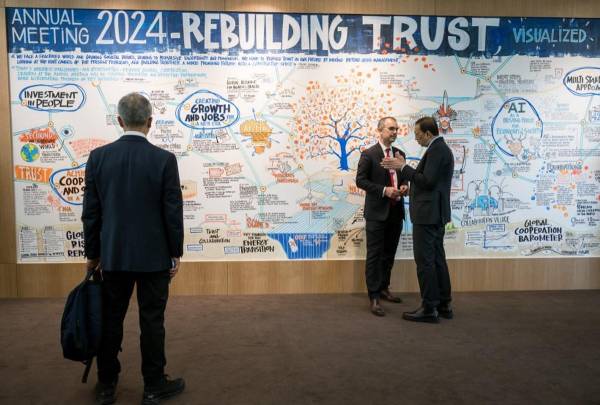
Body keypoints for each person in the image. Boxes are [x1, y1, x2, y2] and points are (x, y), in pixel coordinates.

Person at [82, 92, 185, 404]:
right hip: (154, 257)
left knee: (110, 319)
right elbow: (172, 212)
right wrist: (175, 252)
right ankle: (154, 384)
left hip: (112, 256)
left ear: (119, 120)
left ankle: (106, 385)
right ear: (150, 122)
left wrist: (92, 255)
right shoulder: (165, 160)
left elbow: (91, 212)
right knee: (152, 321)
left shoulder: (98, 158)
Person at [381, 116, 454, 323]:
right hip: (434, 214)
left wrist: (402, 167)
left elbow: (427, 181)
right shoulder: (440, 149)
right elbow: (429, 182)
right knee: (437, 259)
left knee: (425, 262)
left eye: (418, 135)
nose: (416, 139)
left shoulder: (437, 150)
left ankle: (429, 307)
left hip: (428, 215)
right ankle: (443, 303)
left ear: (428, 134)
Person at [356, 117, 408, 316]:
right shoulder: (369, 155)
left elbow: (403, 178)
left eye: (397, 129)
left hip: (396, 213)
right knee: (374, 256)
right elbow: (360, 181)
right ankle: (374, 297)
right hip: (377, 214)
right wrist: (384, 190)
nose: (394, 132)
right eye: (391, 128)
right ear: (380, 130)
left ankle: (385, 288)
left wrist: (404, 186)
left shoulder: (400, 154)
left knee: (389, 254)